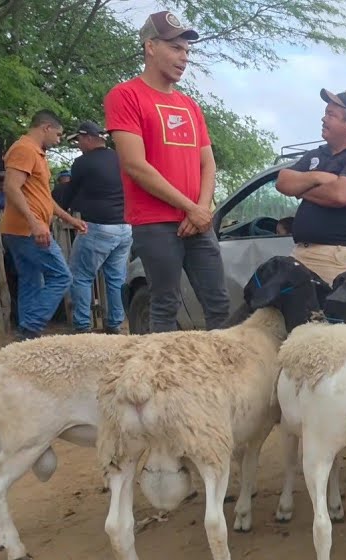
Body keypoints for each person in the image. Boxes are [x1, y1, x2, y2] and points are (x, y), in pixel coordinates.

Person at [104, 10, 228, 333]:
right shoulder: (125, 96)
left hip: (197, 220)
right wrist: (191, 208)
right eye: (176, 48)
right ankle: (164, 379)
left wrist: (201, 209)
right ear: (151, 47)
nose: (184, 57)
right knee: (165, 303)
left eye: (187, 51)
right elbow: (135, 165)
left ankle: (225, 377)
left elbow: (208, 163)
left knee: (219, 303)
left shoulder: (191, 105)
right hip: (155, 223)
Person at [276, 89, 346, 284]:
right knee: (291, 313)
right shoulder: (317, 154)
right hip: (302, 252)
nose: (323, 119)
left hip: (338, 257)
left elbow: (339, 196)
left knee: (327, 314)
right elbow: (282, 181)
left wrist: (299, 188)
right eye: (325, 113)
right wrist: (318, 176)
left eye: (331, 115)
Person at [0, 110, 87, 340]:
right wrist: (35, 223)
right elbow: (11, 187)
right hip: (27, 230)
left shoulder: (36, 153)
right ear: (45, 127)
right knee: (61, 276)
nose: (58, 140)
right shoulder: (24, 149)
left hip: (22, 229)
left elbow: (44, 198)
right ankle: (31, 327)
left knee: (30, 280)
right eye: (57, 135)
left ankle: (27, 337)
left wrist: (70, 220)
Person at [58, 120, 132, 334]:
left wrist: (61, 209)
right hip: (125, 228)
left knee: (81, 276)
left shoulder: (83, 163)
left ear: (90, 138)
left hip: (99, 227)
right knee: (116, 278)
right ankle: (115, 324)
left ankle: (82, 326)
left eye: (80, 139)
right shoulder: (121, 158)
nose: (79, 144)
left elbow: (69, 194)